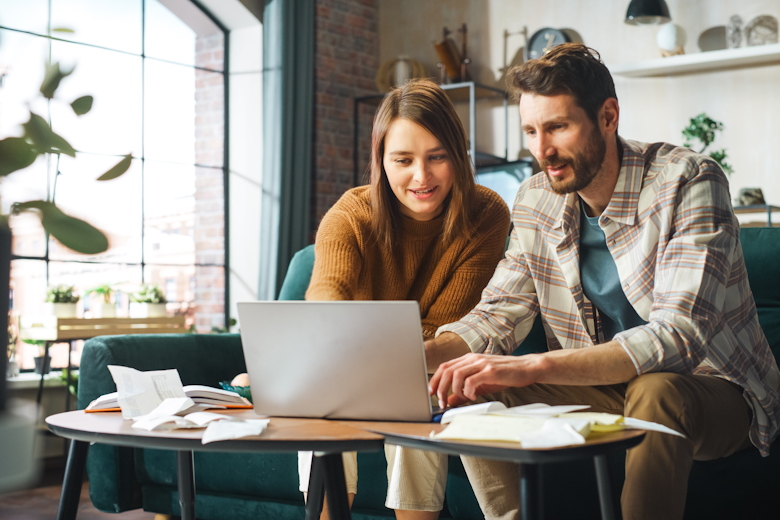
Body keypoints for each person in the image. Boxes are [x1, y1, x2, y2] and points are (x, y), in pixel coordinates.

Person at [426, 43, 780, 520]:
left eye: (557, 127)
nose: (541, 150)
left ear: (608, 116)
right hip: (604, 388)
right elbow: (498, 312)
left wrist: (531, 366)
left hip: (713, 388)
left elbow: (677, 339)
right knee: (473, 386)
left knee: (657, 391)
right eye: (531, 130)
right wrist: (411, 359)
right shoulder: (535, 199)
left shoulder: (688, 181)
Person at [235, 78, 510, 520]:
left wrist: (376, 354)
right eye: (403, 160)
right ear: (381, 161)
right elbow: (325, 304)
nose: (422, 176)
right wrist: (345, 351)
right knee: (321, 405)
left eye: (437, 157)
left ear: (458, 156)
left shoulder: (486, 213)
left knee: (414, 403)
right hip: (345, 366)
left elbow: (452, 327)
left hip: (429, 365)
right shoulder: (352, 214)